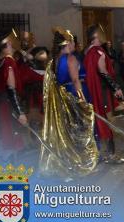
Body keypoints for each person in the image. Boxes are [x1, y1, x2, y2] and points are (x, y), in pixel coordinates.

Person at [40, 27, 98, 176]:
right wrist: (83, 101)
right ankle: (80, 161)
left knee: (69, 130)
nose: (74, 44)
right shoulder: (70, 58)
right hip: (74, 95)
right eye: (72, 41)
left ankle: (69, 161)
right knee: (81, 129)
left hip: (64, 97)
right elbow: (75, 80)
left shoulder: (55, 60)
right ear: (67, 43)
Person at [83, 25, 124, 164]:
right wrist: (116, 88)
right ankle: (111, 155)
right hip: (102, 92)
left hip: (95, 92)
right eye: (101, 33)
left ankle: (101, 154)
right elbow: (103, 72)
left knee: (99, 121)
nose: (104, 35)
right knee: (108, 121)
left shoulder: (88, 51)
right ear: (95, 36)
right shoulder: (98, 52)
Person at [0, 29, 27, 160]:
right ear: (9, 42)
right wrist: (19, 112)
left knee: (6, 142)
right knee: (11, 145)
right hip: (7, 106)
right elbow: (11, 88)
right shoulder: (8, 62)